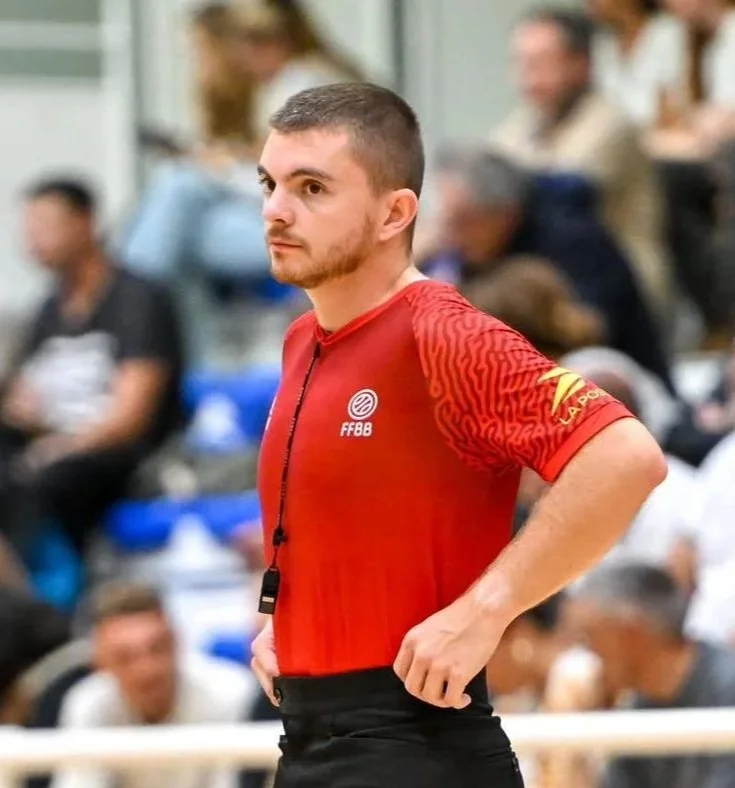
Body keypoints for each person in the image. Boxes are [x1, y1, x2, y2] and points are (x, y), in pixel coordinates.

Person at [249, 82, 666, 788]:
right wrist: (283, 625)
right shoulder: (302, 341)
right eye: (270, 183)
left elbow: (625, 457)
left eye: (312, 188)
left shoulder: (440, 331)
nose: (276, 211)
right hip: (314, 739)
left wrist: (486, 609)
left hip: (415, 747)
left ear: (394, 213)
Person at [0, 178, 183, 560]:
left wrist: (60, 446)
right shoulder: (48, 309)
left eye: (46, 226)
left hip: (118, 457)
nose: (33, 240)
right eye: (29, 229)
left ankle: (47, 601)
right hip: (54, 442)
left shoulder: (137, 299)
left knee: (38, 484)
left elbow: (130, 419)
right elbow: (24, 400)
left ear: (85, 222)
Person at [492, 6, 672, 318]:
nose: (528, 79)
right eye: (521, 64)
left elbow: (555, 191)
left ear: (580, 65)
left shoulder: (611, 122)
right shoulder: (525, 123)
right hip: (555, 285)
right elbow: (484, 178)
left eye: (542, 64)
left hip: (620, 293)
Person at [52, 582, 252, 788]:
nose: (147, 669)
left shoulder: (231, 692)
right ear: (99, 663)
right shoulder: (86, 703)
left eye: (157, 648)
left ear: (177, 642)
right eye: (125, 657)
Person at [564, 561, 735, 788]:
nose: (589, 655)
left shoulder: (728, 688)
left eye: (589, 638)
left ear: (629, 635)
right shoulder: (639, 707)